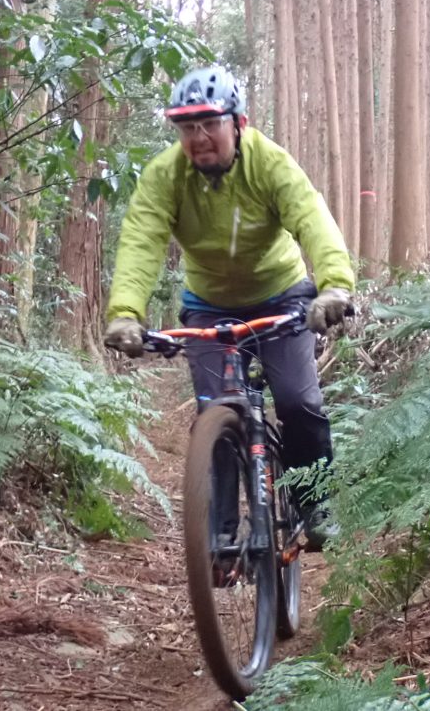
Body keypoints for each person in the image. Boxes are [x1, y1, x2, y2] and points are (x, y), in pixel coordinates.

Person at [104, 65, 354, 550]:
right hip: (209, 305)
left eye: (209, 124)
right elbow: (141, 241)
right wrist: (126, 313)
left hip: (282, 295)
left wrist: (334, 288)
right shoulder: (165, 176)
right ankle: (218, 533)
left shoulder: (269, 163)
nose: (198, 138)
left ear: (238, 123)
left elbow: (312, 218)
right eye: (186, 127)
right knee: (213, 412)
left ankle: (314, 502)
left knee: (298, 401)